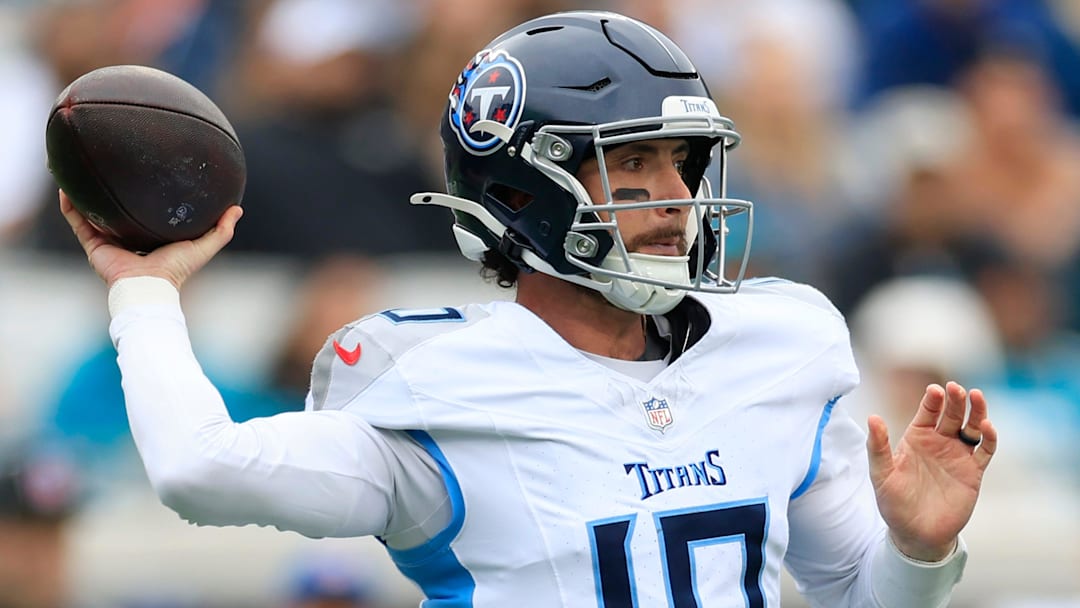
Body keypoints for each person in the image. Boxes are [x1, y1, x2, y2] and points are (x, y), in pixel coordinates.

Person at [60, 11, 998, 607]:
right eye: (633, 162)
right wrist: (144, 290)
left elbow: (857, 595)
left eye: (683, 163)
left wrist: (921, 550)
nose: (675, 196)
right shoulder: (434, 386)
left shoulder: (780, 344)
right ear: (520, 193)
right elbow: (198, 471)